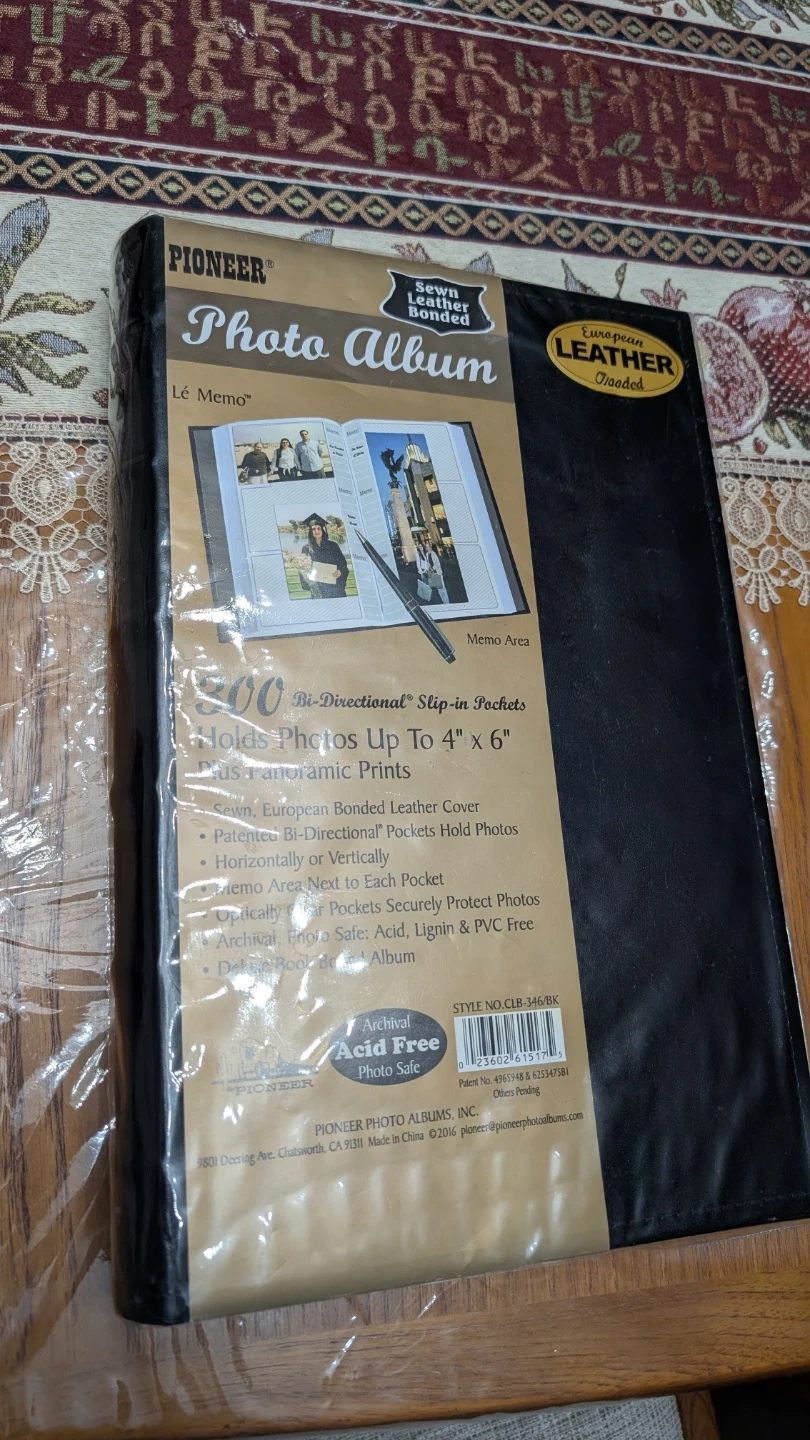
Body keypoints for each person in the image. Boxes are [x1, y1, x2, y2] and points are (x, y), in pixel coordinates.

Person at [299, 513, 348, 599]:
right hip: (318, 589)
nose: (316, 531)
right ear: (311, 531)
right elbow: (302, 568)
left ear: (322, 530)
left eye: (319, 528)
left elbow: (343, 564)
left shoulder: (333, 546)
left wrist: (340, 572)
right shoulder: (306, 549)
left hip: (335, 588)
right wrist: (309, 581)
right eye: (314, 529)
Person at [417, 536, 449, 604]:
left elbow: (438, 563)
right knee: (438, 589)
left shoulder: (433, 553)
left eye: (428, 546)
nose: (427, 548)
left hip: (437, 573)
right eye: (426, 547)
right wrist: (427, 569)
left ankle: (447, 603)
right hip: (433, 574)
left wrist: (433, 568)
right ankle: (444, 602)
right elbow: (427, 563)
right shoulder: (426, 554)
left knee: (442, 589)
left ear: (430, 547)